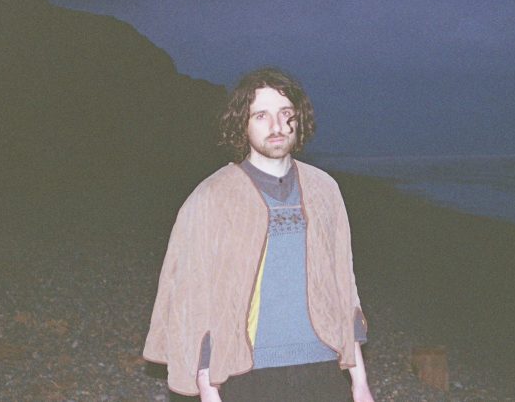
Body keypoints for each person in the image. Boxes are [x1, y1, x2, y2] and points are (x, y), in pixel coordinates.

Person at [143, 68, 373, 402]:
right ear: (243, 124)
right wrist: (208, 389)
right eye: (261, 115)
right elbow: (192, 297)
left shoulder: (324, 189)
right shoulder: (213, 196)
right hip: (245, 372)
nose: (276, 126)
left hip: (322, 365)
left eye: (285, 113)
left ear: (299, 119)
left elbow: (343, 286)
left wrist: (359, 382)